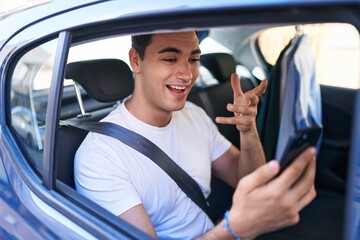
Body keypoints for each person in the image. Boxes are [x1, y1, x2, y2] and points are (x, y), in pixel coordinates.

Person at [74, 31, 317, 240]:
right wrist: (234, 229)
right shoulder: (100, 155)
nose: (187, 74)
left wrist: (248, 129)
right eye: (170, 58)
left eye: (194, 59)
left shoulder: (193, 115)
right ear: (136, 61)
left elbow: (246, 178)